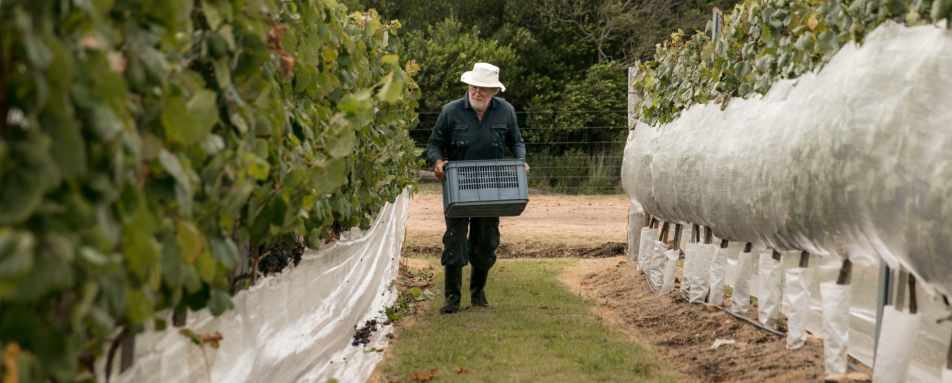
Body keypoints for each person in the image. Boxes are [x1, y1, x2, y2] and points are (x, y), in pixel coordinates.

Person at [425, 62, 528, 314]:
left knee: (486, 241)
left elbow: (517, 141)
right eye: (474, 86)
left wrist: (520, 161)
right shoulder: (450, 112)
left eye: (483, 88)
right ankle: (452, 299)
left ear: (494, 92)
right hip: (457, 188)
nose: (477, 92)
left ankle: (478, 293)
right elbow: (434, 145)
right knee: (455, 242)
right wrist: (437, 162)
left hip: (492, 187)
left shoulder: (506, 112)